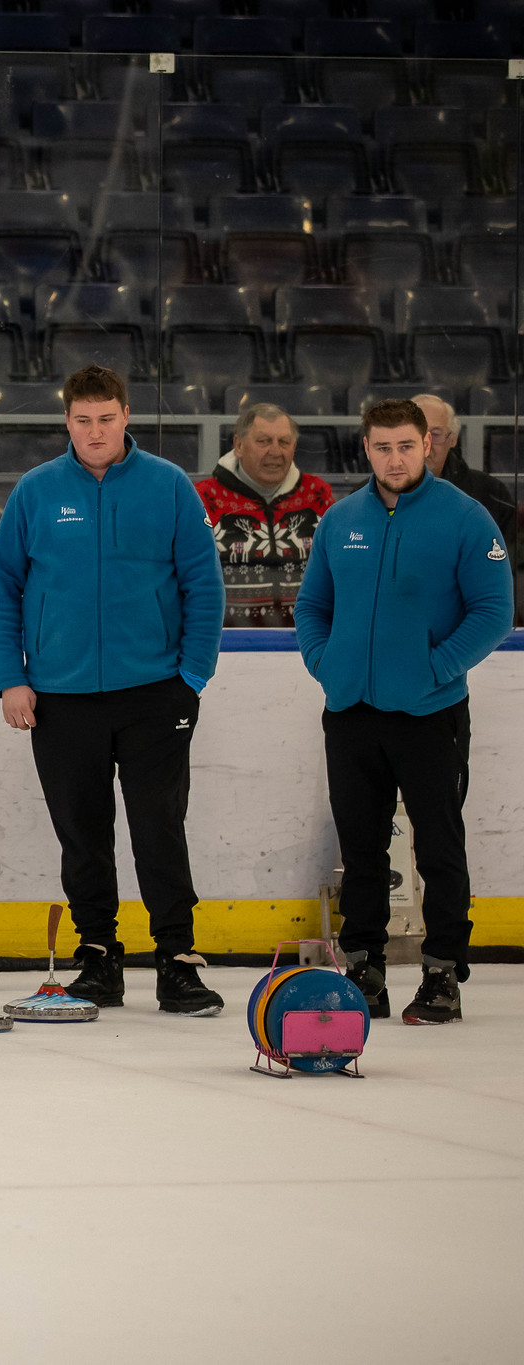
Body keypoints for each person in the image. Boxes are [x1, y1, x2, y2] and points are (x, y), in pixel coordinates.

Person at [0, 365, 227, 1015]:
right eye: (83, 420)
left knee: (158, 828)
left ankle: (177, 958)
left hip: (154, 692)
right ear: (68, 421)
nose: (95, 431)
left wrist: (192, 675)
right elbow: (2, 588)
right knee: (82, 833)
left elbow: (204, 584)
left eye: (107, 418)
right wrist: (11, 677)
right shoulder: (36, 492)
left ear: (126, 418)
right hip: (59, 696)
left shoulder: (168, 486)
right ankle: (98, 955)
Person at [294, 399, 513, 1027]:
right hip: (351, 711)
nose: (395, 458)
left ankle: (443, 972)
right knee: (361, 847)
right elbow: (313, 607)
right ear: (365, 449)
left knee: (438, 847)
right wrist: (326, 664)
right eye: (383, 447)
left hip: (430, 714)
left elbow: (493, 612)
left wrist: (433, 671)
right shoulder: (341, 520)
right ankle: (364, 968)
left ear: (428, 447)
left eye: (407, 446)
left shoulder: (466, 519)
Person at [194, 402, 336, 627]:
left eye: (284, 442)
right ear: (239, 445)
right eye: (263, 441)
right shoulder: (203, 497)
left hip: (305, 640)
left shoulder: (318, 493)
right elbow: (190, 578)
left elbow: (336, 572)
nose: (275, 452)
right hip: (226, 643)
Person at [414, 393, 516, 554]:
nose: (425, 445)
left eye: (435, 434)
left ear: (452, 439)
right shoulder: (369, 495)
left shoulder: (492, 494)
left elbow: (508, 567)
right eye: (416, 434)